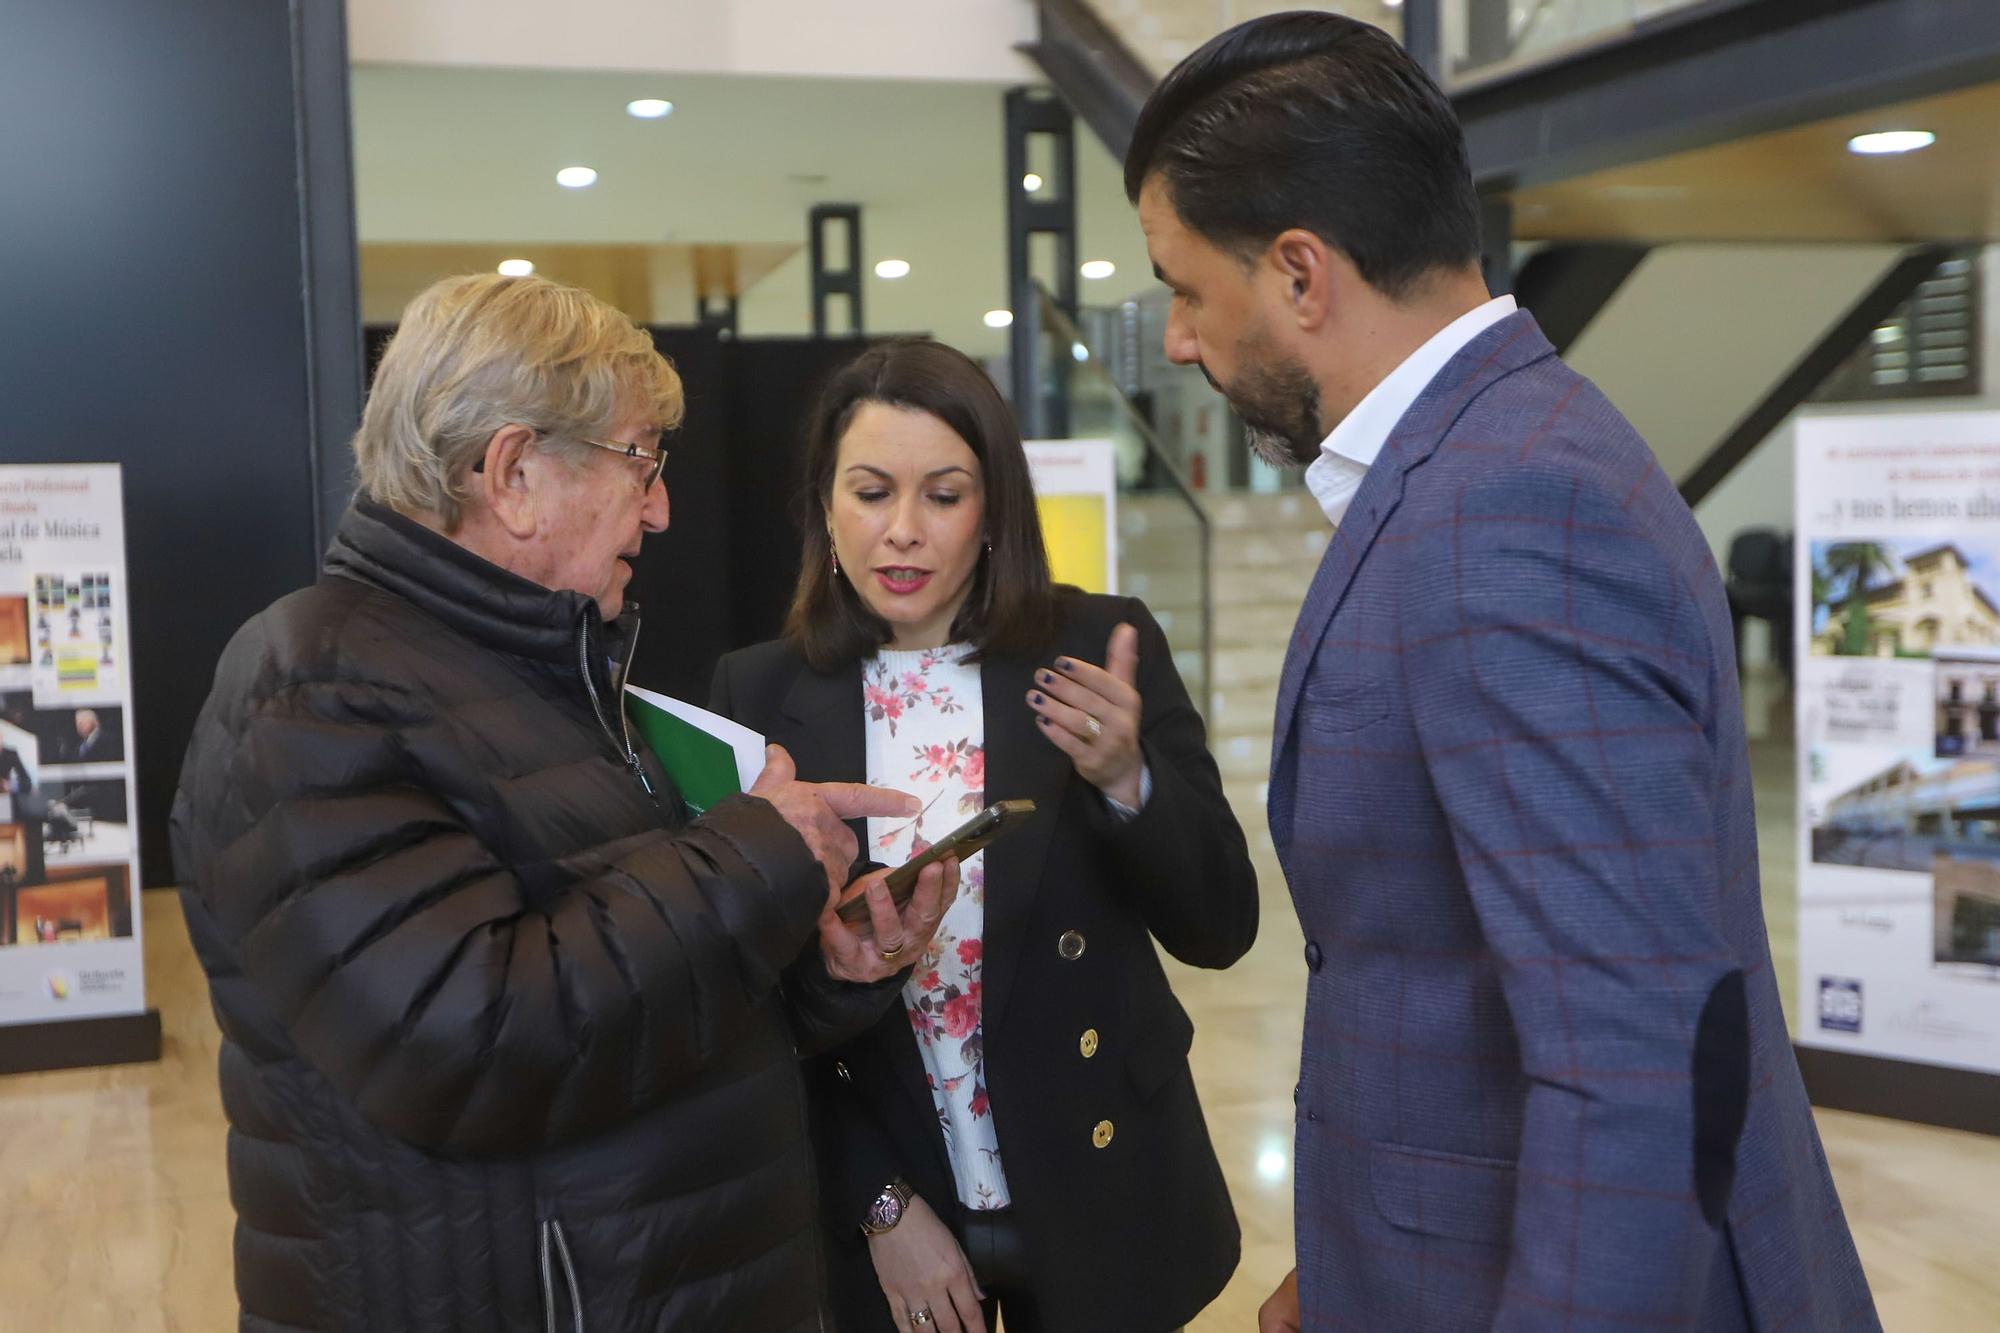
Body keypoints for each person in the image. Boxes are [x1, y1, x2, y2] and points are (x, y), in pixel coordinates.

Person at [1124, 15, 1879, 1333]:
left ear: (1301, 273)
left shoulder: (1510, 509)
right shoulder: (1484, 459)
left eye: (1187, 289)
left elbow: (1627, 1068)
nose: (1181, 340)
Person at [170, 273, 962, 1333]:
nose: (663, 504)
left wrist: (822, 969)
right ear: (512, 473)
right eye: (642, 461)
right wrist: (758, 859)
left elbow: (635, 1002)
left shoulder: (547, 674)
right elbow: (472, 1039)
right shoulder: (307, 691)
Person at [711, 338, 1257, 1333]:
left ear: (994, 509)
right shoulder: (757, 695)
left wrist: (1127, 778)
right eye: (871, 491)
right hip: (896, 1207)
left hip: (1096, 1189)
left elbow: (1219, 924)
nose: (903, 532)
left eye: (944, 494)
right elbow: (748, 1011)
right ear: (823, 510)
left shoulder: (1094, 647)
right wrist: (876, 1203)